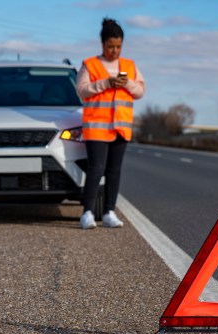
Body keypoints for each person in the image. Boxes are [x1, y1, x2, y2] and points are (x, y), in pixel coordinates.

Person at [76, 17, 145, 229]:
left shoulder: (129, 66)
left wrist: (128, 84)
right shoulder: (90, 65)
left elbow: (140, 91)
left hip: (120, 128)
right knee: (96, 168)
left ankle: (109, 212)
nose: (114, 51)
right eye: (110, 46)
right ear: (102, 44)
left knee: (115, 171)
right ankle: (87, 212)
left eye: (118, 47)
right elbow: (81, 91)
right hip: (97, 127)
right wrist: (106, 83)